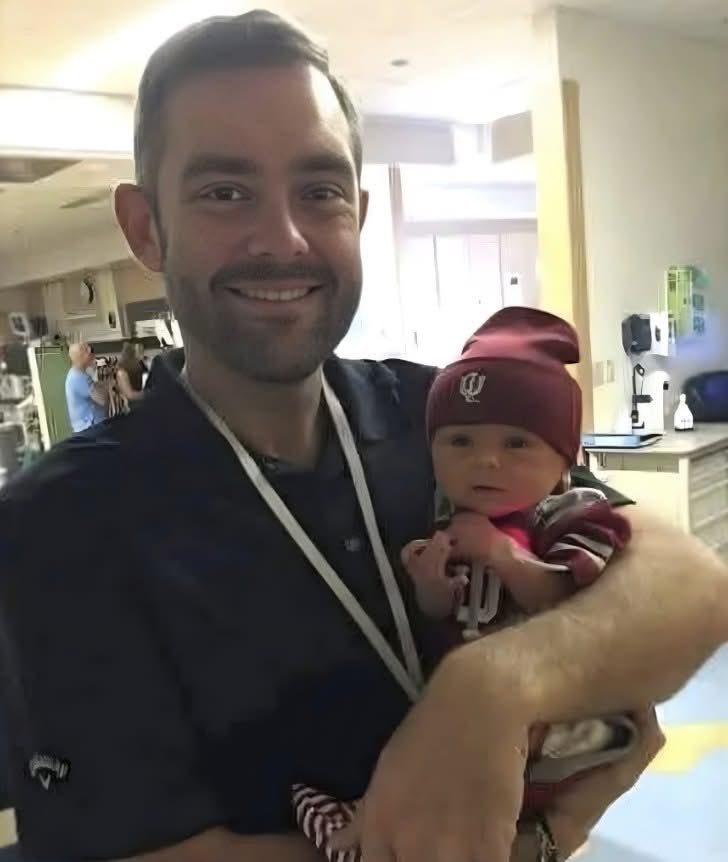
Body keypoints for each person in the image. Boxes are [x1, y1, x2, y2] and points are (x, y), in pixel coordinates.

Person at [0, 10, 725, 862]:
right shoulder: (60, 525)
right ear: (145, 227)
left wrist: (493, 685)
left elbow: (689, 584)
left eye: (319, 189)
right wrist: (527, 840)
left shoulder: (443, 417)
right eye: (224, 191)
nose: (284, 237)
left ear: (360, 210)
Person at [294, 307, 636, 860]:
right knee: (423, 745)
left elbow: (569, 602)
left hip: (551, 706)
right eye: (460, 442)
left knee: (481, 754)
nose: (486, 462)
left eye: (517, 444)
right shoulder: (449, 519)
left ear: (562, 461)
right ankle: (370, 822)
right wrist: (429, 582)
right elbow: (441, 613)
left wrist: (504, 555)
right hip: (465, 704)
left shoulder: (574, 513)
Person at [64, 341, 107, 432]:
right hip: (90, 428)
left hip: (92, 426)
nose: (92, 355)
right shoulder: (77, 377)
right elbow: (102, 400)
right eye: (89, 353)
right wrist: (106, 386)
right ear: (81, 356)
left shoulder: (79, 374)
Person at [116, 341, 146, 406]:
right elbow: (130, 395)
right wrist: (150, 394)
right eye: (140, 352)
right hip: (131, 405)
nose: (142, 356)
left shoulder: (140, 366)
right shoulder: (122, 371)